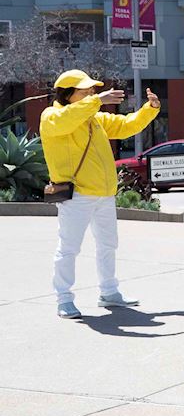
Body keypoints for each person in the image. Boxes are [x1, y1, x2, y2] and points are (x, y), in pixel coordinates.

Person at [42, 71, 159, 319]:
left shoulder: (93, 118)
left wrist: (149, 109)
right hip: (76, 195)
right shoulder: (51, 116)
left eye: (92, 91)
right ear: (67, 94)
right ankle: (64, 298)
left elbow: (126, 126)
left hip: (104, 194)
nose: (91, 94)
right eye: (85, 91)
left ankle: (109, 292)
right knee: (69, 248)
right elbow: (66, 120)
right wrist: (96, 101)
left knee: (108, 245)